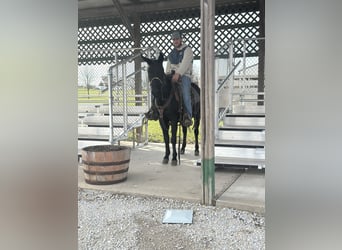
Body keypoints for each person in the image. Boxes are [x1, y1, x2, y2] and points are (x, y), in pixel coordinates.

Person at [166, 31, 194, 127]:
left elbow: (185, 64)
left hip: (184, 75)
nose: (175, 41)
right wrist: (167, 74)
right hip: (172, 75)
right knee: (160, 87)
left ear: (181, 39)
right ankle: (157, 110)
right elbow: (168, 66)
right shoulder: (171, 53)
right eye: (174, 39)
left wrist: (178, 73)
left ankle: (188, 116)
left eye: (177, 39)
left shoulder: (187, 50)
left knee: (185, 93)